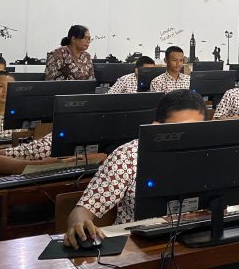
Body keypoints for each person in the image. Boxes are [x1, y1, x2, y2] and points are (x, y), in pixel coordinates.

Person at [63, 90, 207, 248]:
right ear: (156, 127)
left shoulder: (210, 155)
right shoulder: (128, 156)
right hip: (134, 247)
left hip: (195, 241)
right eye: (180, 132)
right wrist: (79, 225)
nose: (188, 140)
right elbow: (83, 209)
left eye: (195, 131)